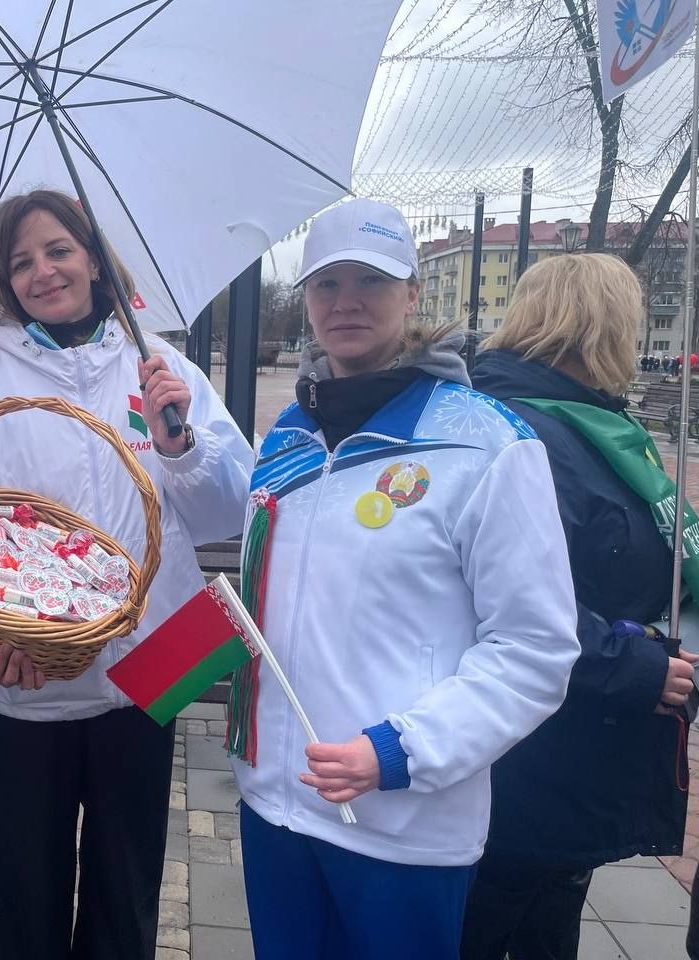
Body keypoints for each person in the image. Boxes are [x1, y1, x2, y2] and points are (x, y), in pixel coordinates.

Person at [228, 198, 580, 960]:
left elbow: (535, 649)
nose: (346, 302)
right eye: (327, 284)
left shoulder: (488, 444)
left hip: (401, 827)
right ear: (307, 299)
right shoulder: (286, 439)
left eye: (372, 281)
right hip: (276, 809)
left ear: (414, 293)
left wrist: (401, 751)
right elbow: (267, 606)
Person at [0, 189, 254, 960]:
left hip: (156, 666)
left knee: (126, 891)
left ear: (97, 260)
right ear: (5, 284)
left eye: (59, 250)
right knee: (25, 895)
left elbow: (230, 511)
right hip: (32, 681)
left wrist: (181, 446)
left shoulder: (163, 367)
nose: (42, 272)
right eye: (21, 263)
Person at [461, 253, 697, 960]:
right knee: (499, 919)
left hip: (580, 743)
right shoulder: (530, 432)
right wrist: (636, 664)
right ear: (605, 329)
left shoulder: (594, 426)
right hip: (539, 748)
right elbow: (516, 598)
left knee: (548, 916)